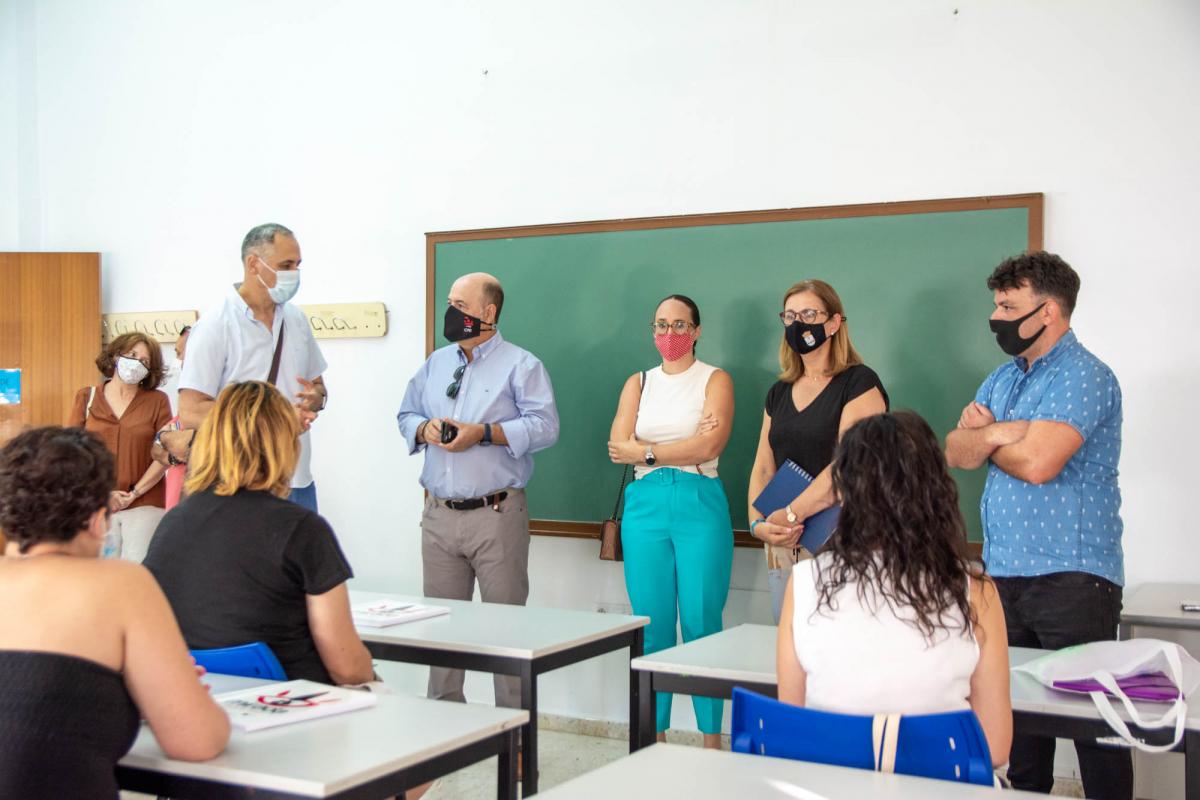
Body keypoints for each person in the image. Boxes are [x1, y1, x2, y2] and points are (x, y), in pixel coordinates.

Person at [945, 251, 1128, 799]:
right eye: (996, 305)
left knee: (1096, 731)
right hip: (1002, 577)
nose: (995, 317)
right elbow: (956, 450)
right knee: (1019, 727)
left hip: (1074, 580)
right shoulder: (1001, 378)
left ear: (1047, 311)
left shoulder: (1085, 376)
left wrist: (988, 436)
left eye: (1008, 307)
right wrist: (1005, 432)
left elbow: (1039, 464)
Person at [0, 426, 230, 798]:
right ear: (97, 519)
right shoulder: (122, 584)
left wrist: (110, 695)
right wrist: (165, 693)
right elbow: (197, 740)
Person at [777, 411, 1012, 768]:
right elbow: (994, 746)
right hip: (941, 786)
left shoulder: (806, 583)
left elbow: (792, 729)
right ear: (935, 490)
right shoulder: (975, 591)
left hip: (832, 786)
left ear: (845, 491)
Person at [396, 272, 559, 710]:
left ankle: (514, 735)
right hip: (438, 516)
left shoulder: (522, 365)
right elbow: (406, 415)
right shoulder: (436, 363)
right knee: (442, 635)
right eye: (449, 303)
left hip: (496, 516)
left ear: (488, 312)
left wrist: (484, 433)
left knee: (506, 634)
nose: (451, 313)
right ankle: (445, 730)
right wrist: (425, 428)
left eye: (460, 306)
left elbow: (545, 428)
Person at [145, 381, 373, 686]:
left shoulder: (172, 523)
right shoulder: (302, 529)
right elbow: (349, 669)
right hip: (299, 701)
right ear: (284, 445)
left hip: (205, 696)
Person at [606, 294, 734, 748]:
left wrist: (646, 450)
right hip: (645, 506)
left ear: (696, 331)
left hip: (699, 499)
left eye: (680, 325)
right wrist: (672, 448)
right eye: (661, 324)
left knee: (702, 623)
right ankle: (653, 738)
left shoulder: (715, 379)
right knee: (652, 626)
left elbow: (709, 447)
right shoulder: (638, 382)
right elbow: (617, 446)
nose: (669, 333)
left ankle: (711, 740)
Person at [747, 280, 887, 622]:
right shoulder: (778, 392)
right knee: (788, 636)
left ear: (834, 322)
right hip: (783, 539)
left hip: (844, 538)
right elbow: (763, 467)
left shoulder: (859, 383)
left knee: (838, 640)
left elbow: (848, 468)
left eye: (809, 314)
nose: (798, 324)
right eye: (790, 316)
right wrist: (757, 524)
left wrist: (791, 514)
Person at [179, 223, 328, 512]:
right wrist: (279, 417)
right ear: (253, 264)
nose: (294, 273)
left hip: (297, 480)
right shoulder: (215, 326)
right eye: (285, 265)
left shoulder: (297, 319)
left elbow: (319, 387)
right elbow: (191, 411)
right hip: (240, 483)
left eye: (297, 265)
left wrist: (316, 397)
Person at [68, 331, 173, 563]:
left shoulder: (157, 401)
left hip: (145, 502)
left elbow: (165, 453)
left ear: (150, 369)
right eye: (132, 354)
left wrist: (134, 493)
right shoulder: (87, 397)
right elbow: (72, 454)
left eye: (144, 360)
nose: (136, 363)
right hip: (95, 502)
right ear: (116, 355)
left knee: (136, 572)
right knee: (97, 572)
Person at [152, 324, 191, 510]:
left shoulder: (213, 405)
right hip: (176, 506)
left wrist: (166, 440)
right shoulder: (184, 405)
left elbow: (182, 444)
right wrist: (166, 442)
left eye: (183, 353)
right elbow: (157, 448)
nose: (178, 360)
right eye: (177, 353)